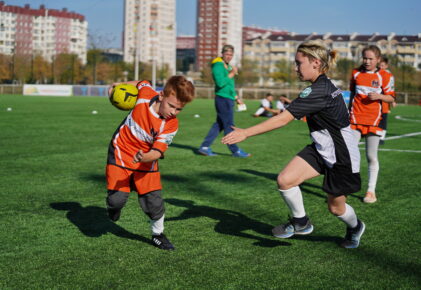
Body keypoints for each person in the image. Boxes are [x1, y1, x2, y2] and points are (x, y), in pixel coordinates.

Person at [222, 40, 365, 248]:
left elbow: (283, 118)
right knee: (285, 180)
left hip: (342, 155)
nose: (295, 67)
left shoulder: (318, 90)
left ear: (315, 63)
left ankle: (355, 227)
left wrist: (246, 133)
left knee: (335, 208)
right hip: (321, 147)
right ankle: (301, 221)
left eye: (299, 63)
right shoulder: (322, 85)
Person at [105, 76, 195, 250]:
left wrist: (144, 157)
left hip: (146, 160)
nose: (173, 112)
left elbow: (157, 151)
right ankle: (113, 208)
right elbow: (141, 82)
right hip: (120, 152)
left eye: (179, 109)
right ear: (161, 96)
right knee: (117, 200)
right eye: (171, 106)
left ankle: (157, 235)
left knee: (154, 203)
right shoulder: (146, 94)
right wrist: (118, 86)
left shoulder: (171, 125)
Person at [349, 46, 395, 203]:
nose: (367, 61)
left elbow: (391, 98)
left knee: (370, 155)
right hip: (354, 119)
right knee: (349, 153)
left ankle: (370, 191)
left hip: (374, 120)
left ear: (378, 60)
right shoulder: (355, 73)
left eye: (370, 59)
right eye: (364, 58)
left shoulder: (385, 76)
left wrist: (379, 96)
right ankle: (347, 186)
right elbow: (352, 94)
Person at [198, 44, 251, 158]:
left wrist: (236, 98)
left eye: (231, 54)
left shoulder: (228, 66)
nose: (229, 56)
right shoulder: (218, 66)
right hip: (222, 99)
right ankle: (235, 150)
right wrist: (231, 74)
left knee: (219, 125)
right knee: (229, 125)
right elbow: (220, 83)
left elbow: (230, 86)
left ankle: (204, 147)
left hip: (229, 98)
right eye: (227, 54)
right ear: (222, 54)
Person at [378, 56, 396, 144]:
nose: (381, 67)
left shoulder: (389, 75)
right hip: (376, 101)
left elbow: (391, 88)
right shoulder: (376, 73)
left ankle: (382, 137)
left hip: (384, 100)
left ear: (386, 66)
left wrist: (393, 100)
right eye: (380, 65)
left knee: (383, 119)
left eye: (382, 65)